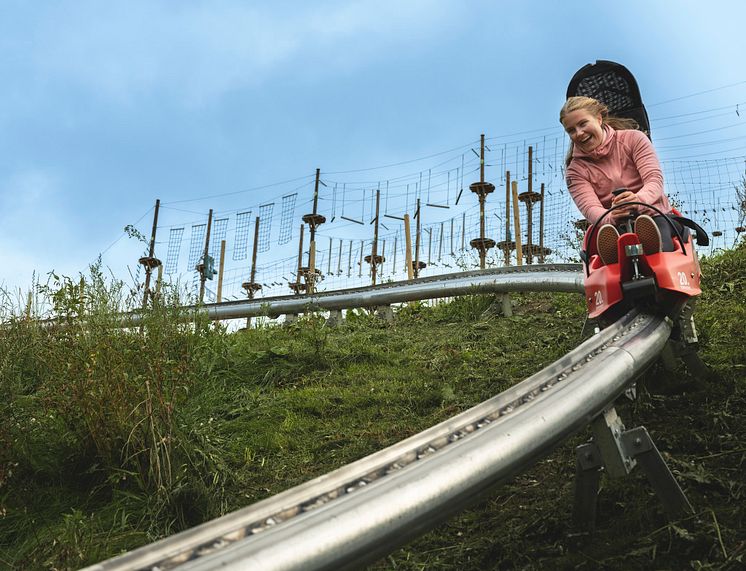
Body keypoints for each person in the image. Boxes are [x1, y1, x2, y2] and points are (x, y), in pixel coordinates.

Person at [559, 95, 676, 265]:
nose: (578, 133)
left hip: (653, 213)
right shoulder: (575, 171)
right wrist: (612, 215)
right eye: (571, 130)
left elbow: (654, 180)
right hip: (612, 224)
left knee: (658, 231)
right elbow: (590, 208)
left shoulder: (634, 139)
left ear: (599, 119)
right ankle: (616, 259)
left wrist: (638, 200)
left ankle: (654, 258)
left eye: (583, 124)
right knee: (608, 238)